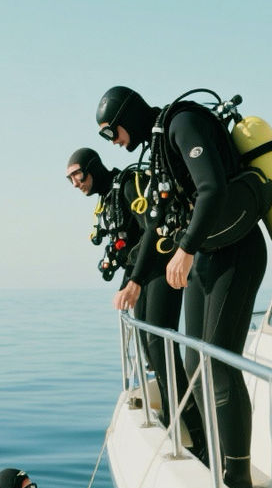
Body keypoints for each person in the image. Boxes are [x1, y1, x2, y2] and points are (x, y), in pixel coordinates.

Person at [95, 86, 267, 488]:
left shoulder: (183, 123)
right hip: (207, 255)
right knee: (195, 361)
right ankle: (214, 459)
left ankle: (239, 478)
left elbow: (212, 189)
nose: (114, 142)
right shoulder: (157, 146)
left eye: (110, 132)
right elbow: (156, 216)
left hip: (236, 251)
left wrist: (186, 249)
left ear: (126, 116)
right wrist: (135, 280)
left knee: (220, 364)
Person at [66, 147, 207, 454]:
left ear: (92, 166)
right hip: (143, 276)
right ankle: (177, 427)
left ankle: (200, 439)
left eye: (77, 174)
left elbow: (153, 230)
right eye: (70, 179)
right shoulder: (110, 197)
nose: (76, 183)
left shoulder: (129, 184)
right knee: (152, 353)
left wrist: (134, 280)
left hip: (159, 271)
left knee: (162, 351)